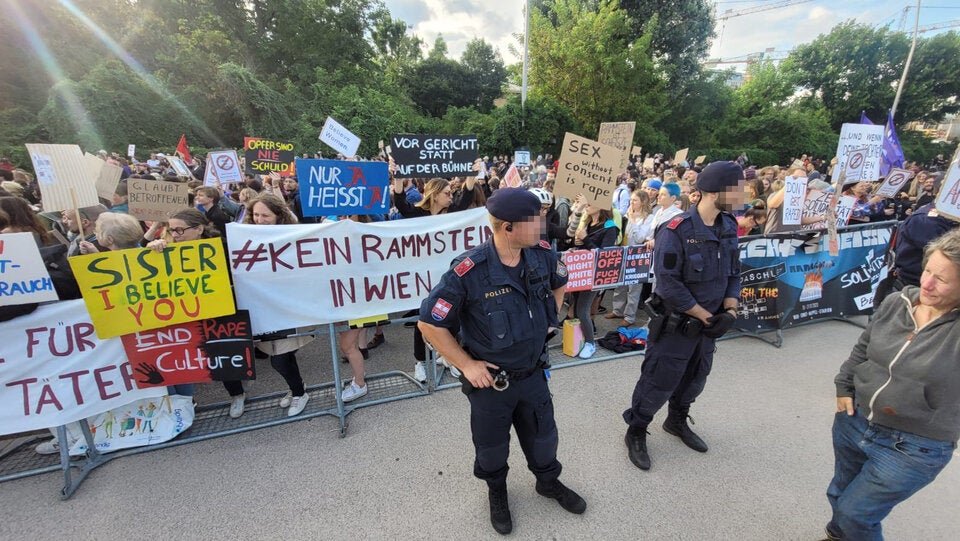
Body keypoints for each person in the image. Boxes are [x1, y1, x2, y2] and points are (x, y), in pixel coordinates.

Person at [417, 188, 586, 535]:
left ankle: (547, 482)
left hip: (534, 373)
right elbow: (429, 324)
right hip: (493, 383)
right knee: (492, 448)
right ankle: (497, 492)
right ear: (508, 227)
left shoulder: (540, 255)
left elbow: (560, 282)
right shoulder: (469, 271)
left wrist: (549, 320)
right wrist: (467, 365)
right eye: (535, 219)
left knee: (543, 438)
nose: (543, 224)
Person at [824, 229, 960, 541]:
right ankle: (838, 535)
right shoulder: (896, 301)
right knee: (839, 494)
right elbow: (863, 347)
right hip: (854, 421)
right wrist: (844, 385)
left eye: (942, 279)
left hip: (914, 446)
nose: (927, 283)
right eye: (928, 270)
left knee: (856, 513)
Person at [622, 161, 745, 471]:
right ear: (715, 192)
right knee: (658, 380)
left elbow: (733, 272)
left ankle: (676, 421)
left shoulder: (729, 226)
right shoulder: (676, 230)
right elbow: (669, 284)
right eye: (737, 189)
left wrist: (730, 309)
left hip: (709, 326)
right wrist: (707, 316)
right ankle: (636, 429)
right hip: (678, 325)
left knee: (696, 377)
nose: (743, 195)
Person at [243, 194, 313, 416]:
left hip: (286, 307)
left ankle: (300, 393)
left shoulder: (290, 237)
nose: (260, 220)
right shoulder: (243, 239)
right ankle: (297, 389)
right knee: (278, 355)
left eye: (266, 215)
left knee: (280, 358)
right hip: (263, 306)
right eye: (256, 215)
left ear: (278, 217)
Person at [568, 199, 620, 358]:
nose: (587, 205)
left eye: (591, 202)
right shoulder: (588, 224)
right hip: (580, 272)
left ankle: (590, 343)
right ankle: (580, 339)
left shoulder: (610, 227)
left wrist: (585, 239)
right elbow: (585, 246)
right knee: (576, 308)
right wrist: (576, 243)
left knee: (583, 310)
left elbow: (603, 255)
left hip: (594, 275)